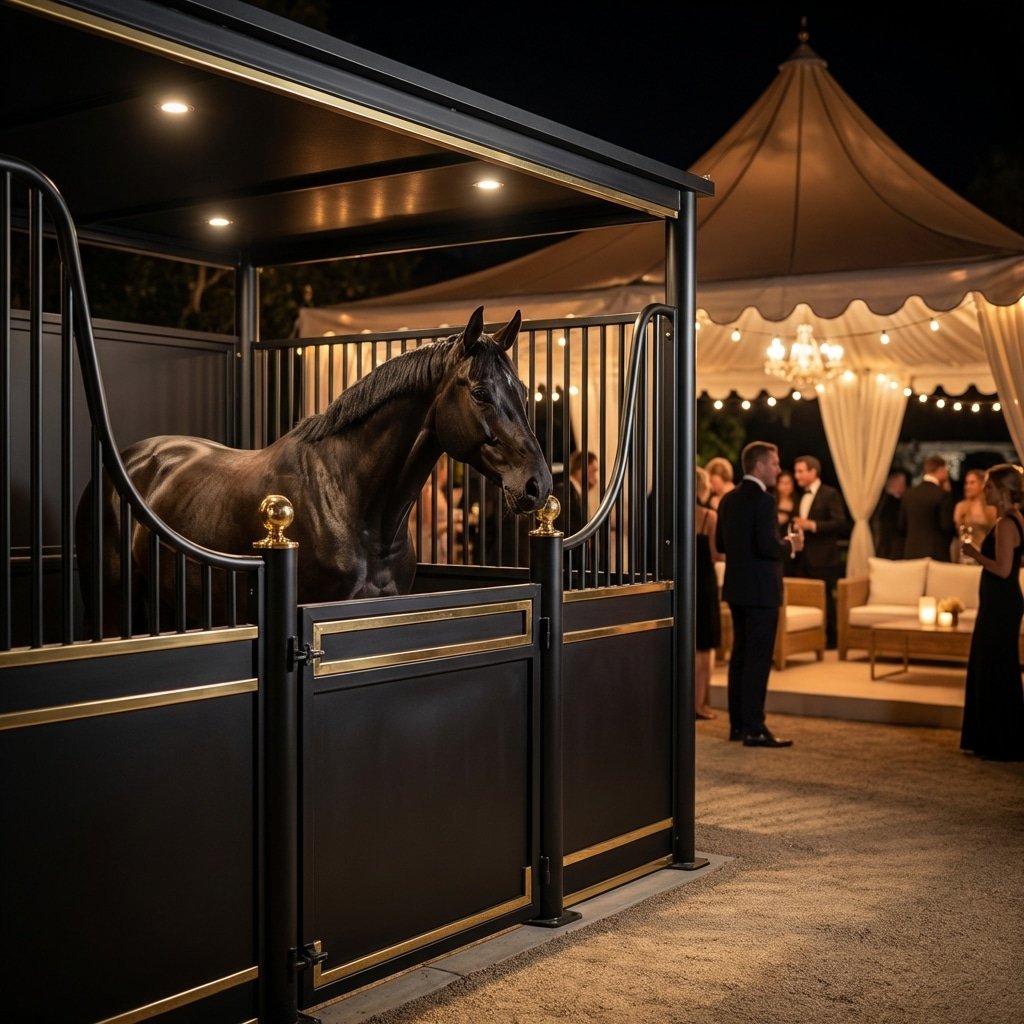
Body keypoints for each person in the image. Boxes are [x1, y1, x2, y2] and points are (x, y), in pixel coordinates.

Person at [715, 441, 803, 747]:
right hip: (762, 592)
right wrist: (790, 544)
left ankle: (737, 726)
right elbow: (768, 547)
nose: (779, 470)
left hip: (736, 589)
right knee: (757, 660)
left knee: (739, 657)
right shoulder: (765, 502)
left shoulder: (727, 500)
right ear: (760, 466)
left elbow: (722, 545)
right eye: (775, 464)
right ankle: (754, 727)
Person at [958, 464, 1024, 761]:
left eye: (988, 487)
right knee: (997, 666)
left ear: (1002, 490)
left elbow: (1003, 569)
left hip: (1001, 604)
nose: (984, 492)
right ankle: (995, 736)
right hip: (1003, 601)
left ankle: (997, 741)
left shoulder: (1007, 524)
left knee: (994, 667)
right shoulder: (1016, 520)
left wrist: (974, 554)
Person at [791, 454, 850, 649]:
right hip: (802, 556)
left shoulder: (830, 494)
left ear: (812, 472)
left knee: (826, 600)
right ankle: (808, 640)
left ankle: (831, 641)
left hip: (823, 557)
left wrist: (812, 525)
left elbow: (840, 523)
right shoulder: (799, 495)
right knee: (803, 598)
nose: (796, 475)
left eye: (800, 471)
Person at [694, 467, 723, 720]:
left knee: (687, 643)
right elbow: (716, 553)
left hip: (685, 584)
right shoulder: (708, 517)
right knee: (704, 649)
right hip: (704, 585)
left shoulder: (674, 515)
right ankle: (699, 704)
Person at [899, 454, 955, 560]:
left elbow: (902, 525)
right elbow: (947, 527)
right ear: (941, 469)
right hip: (936, 553)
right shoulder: (942, 495)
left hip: (911, 552)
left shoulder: (908, 494)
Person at [952, 467, 998, 561]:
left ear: (982, 485)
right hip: (965, 555)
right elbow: (958, 532)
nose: (967, 486)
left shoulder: (991, 508)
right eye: (966, 483)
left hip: (986, 554)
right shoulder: (961, 507)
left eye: (972, 483)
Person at [870, 467, 909, 559]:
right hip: (890, 545)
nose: (904, 487)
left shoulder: (880, 500)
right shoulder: (891, 502)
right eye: (902, 484)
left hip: (886, 545)